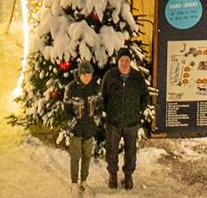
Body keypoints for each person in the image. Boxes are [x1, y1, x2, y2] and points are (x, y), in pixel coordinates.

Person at [100, 53, 151, 190]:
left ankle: (128, 177)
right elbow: (103, 96)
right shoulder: (110, 76)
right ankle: (112, 176)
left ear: (130, 62)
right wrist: (107, 111)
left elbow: (145, 96)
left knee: (131, 152)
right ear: (118, 61)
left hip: (131, 123)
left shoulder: (137, 77)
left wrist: (138, 111)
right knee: (111, 150)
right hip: (113, 122)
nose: (124, 63)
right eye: (122, 60)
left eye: (127, 60)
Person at [65, 60, 102, 193]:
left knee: (87, 156)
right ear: (79, 74)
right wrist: (73, 125)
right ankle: (74, 183)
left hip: (89, 129)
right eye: (84, 74)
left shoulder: (95, 88)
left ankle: (84, 181)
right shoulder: (71, 88)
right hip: (76, 129)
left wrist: (95, 123)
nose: (87, 77)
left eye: (89, 74)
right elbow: (66, 110)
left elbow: (99, 108)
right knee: (75, 157)